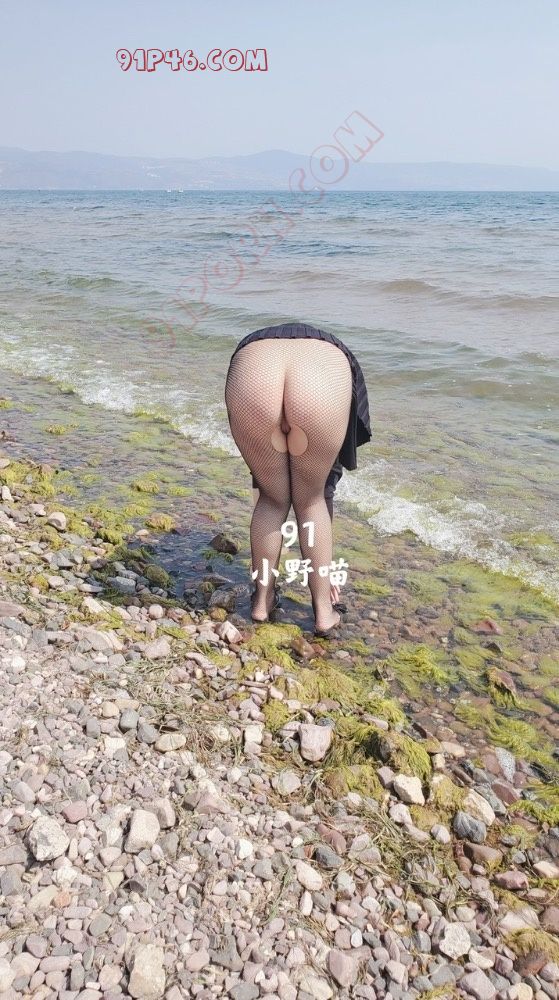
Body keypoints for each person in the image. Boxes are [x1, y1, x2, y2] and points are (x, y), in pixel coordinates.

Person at [224, 321, 371, 637]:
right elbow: (326, 490)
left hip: (253, 367)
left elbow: (259, 487)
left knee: (271, 499)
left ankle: (261, 602)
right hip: (322, 374)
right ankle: (323, 611)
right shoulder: (329, 346)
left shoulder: (259, 341)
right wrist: (325, 572)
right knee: (312, 501)